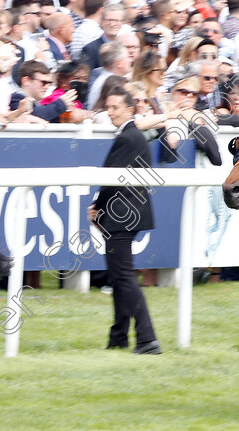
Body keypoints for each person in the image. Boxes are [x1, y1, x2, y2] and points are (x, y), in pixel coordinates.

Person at [87, 88, 161, 355]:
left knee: (124, 278)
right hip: (126, 215)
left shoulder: (129, 137)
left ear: (130, 110)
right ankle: (119, 336)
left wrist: (97, 207)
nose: (110, 111)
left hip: (121, 217)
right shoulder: (132, 135)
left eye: (115, 107)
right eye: (108, 106)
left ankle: (147, 338)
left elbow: (112, 179)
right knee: (120, 278)